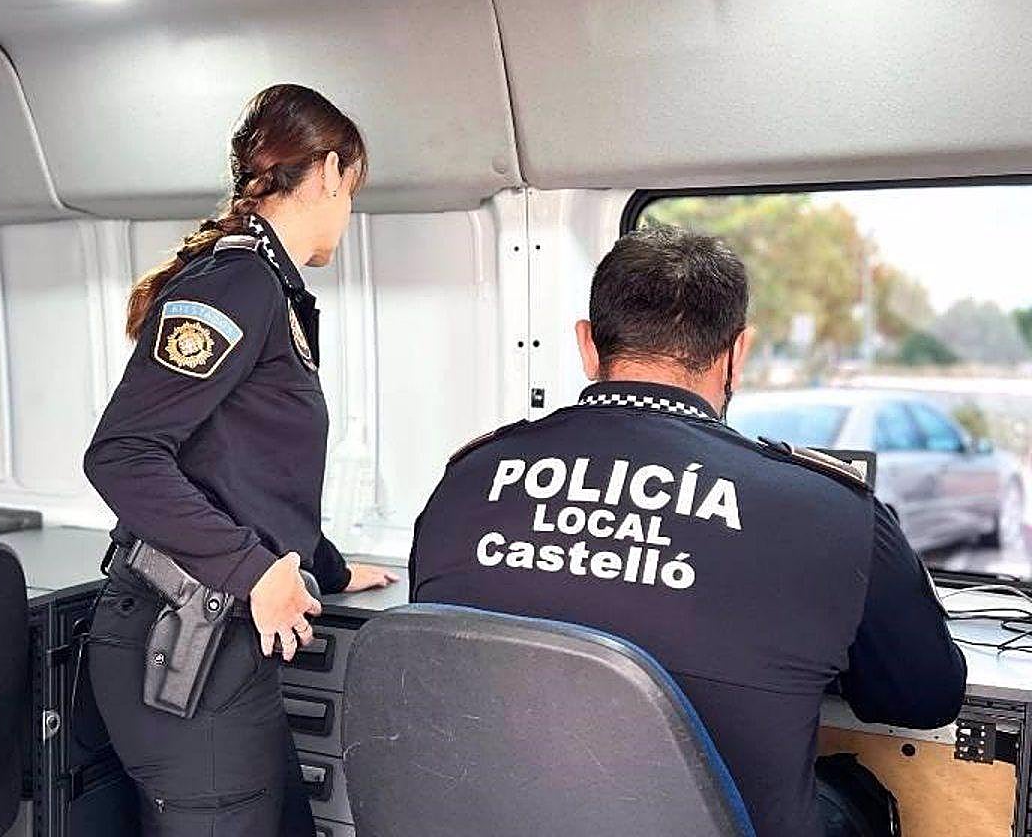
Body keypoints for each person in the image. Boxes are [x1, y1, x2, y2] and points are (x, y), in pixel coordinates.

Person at [408, 225, 966, 837]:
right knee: (856, 793)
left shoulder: (465, 481)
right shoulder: (832, 511)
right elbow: (924, 698)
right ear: (737, 354)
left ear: (587, 345)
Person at [83, 84, 398, 837]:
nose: (348, 214)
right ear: (328, 172)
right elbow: (122, 456)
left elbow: (247, 467)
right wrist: (256, 570)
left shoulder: (272, 286)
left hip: (219, 638)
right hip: (176, 641)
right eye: (352, 193)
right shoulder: (237, 284)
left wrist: (322, 564)